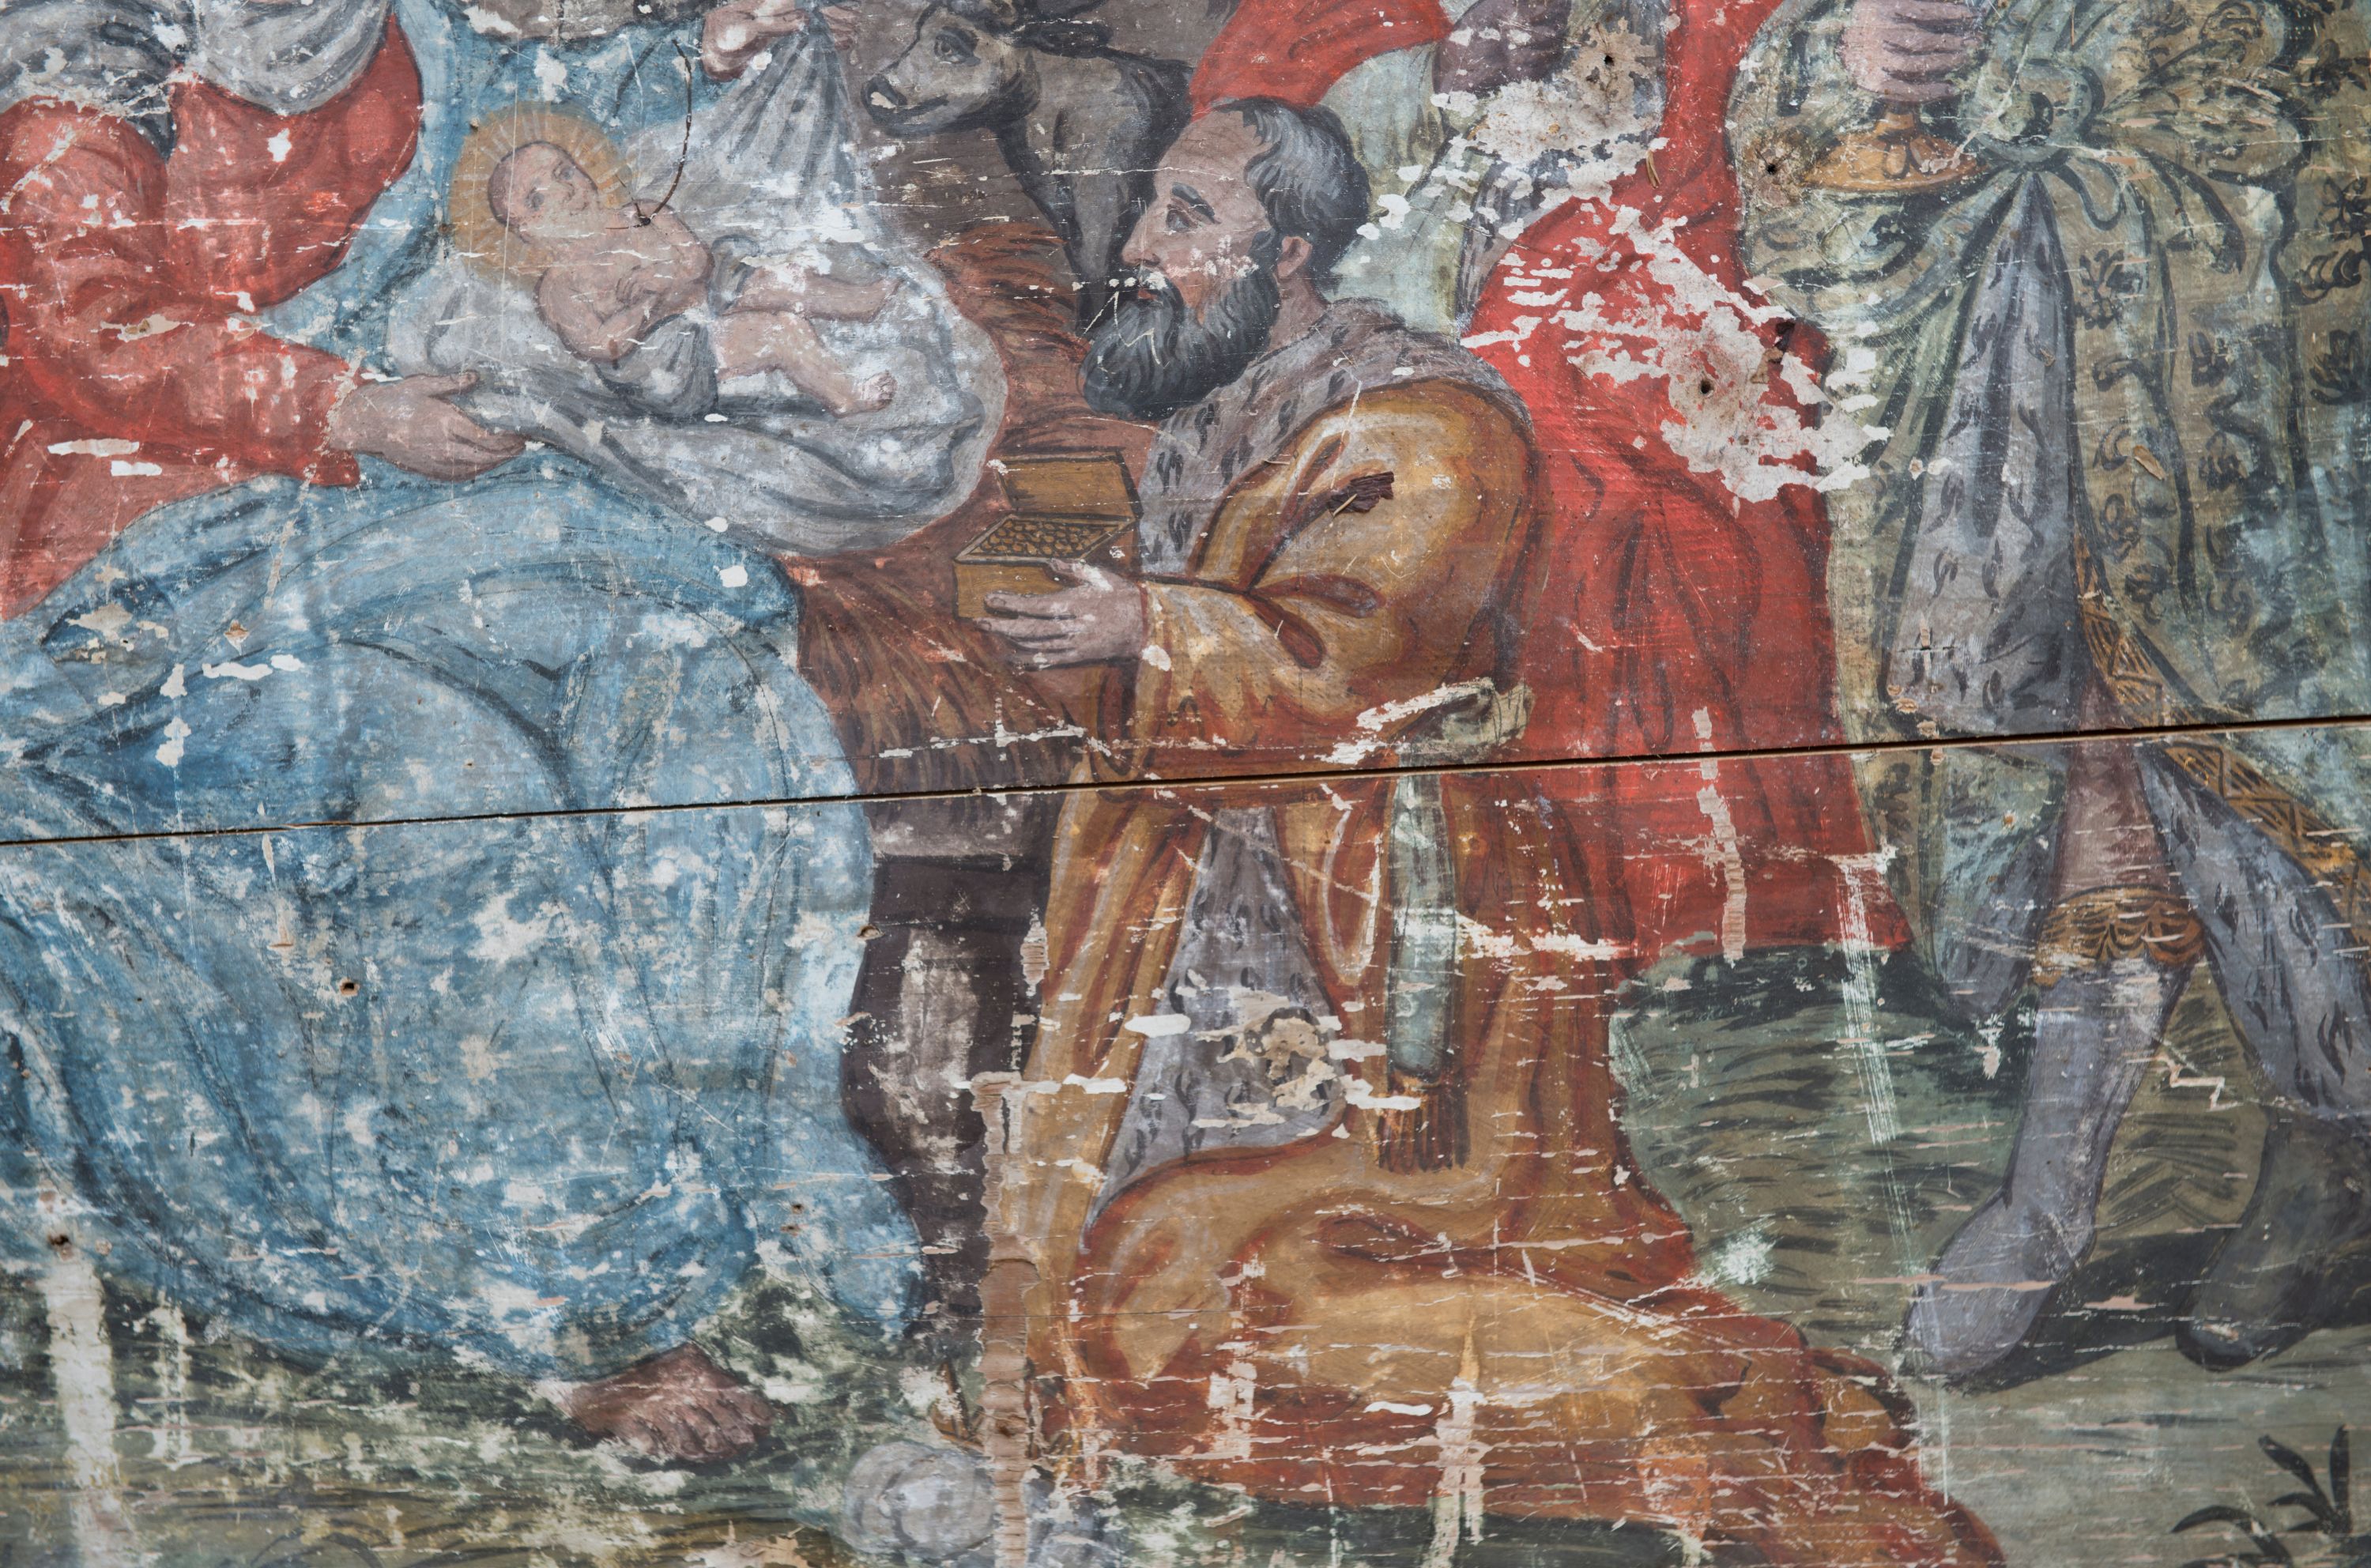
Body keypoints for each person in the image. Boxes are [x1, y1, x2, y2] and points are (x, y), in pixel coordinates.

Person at [972, 99, 1999, 1566]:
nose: (1139, 243)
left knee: (1192, 1289)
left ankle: (1678, 1412)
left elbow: (1361, 656)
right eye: (1151, 206)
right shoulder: (1216, 400)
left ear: (1293, 252)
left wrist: (1149, 624)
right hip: (1194, 898)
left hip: (1384, 928)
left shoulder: (1429, 423)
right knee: (1122, 1277)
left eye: (1185, 216)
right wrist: (1080, 610)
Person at [0, 0, 937, 1464]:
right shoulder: (87, 72)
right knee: (456, 777)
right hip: (132, 582)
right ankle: (591, 1306)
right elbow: (82, 334)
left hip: (381, 522)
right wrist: (350, 407)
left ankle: (760, 1204)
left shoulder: (401, 41)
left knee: (690, 692)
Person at [1736, 0, 2371, 1376]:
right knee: (2092, 755)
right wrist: (1846, 56)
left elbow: (2296, 94)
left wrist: (2053, 111)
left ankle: (2323, 1148)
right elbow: (1802, 139)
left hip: (2255, 369)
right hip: (2009, 356)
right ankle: (2057, 1190)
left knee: (2235, 768)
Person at [471, 128, 898, 416]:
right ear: (527, 233)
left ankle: (859, 302)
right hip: (665, 357)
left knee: (768, 280)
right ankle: (845, 396)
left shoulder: (643, 213)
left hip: (700, 300)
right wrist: (647, 304)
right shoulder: (559, 286)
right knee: (781, 330)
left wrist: (665, 278)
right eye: (538, 199)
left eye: (564, 172)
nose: (564, 191)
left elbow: (698, 261)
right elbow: (600, 345)